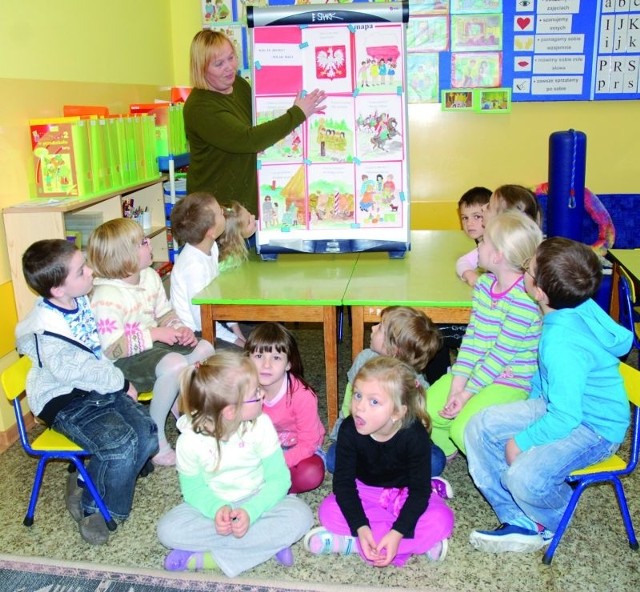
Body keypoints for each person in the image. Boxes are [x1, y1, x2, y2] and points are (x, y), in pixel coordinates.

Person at [465, 237, 633, 552]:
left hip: (594, 427)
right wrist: (525, 413)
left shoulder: (561, 343)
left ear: (539, 292)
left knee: (524, 478)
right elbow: (549, 383)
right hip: (562, 406)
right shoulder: (577, 303)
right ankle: (521, 519)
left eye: (528, 267)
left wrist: (522, 441)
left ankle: (555, 517)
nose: (524, 267)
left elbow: (566, 416)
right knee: (480, 425)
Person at [15, 239, 158, 545]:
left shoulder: (78, 300)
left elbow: (97, 355)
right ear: (57, 290)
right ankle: (96, 507)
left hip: (97, 384)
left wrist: (114, 380)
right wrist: (121, 384)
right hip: (63, 397)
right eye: (82, 271)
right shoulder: (48, 330)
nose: (91, 271)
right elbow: (78, 371)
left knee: (146, 433)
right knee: (121, 445)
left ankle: (84, 478)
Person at [157, 351, 314, 575]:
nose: (262, 395)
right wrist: (216, 510)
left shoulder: (261, 425)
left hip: (258, 499)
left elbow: (279, 479)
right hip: (213, 506)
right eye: (255, 393)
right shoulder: (189, 441)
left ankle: (207, 558)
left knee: (301, 515)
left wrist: (251, 511)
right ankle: (267, 546)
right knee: (168, 530)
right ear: (231, 412)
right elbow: (193, 489)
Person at [87, 219, 215, 467]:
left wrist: (180, 329)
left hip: (153, 347)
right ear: (124, 256)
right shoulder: (106, 296)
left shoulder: (149, 276)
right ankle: (156, 437)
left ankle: (183, 408)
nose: (149, 245)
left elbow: (165, 313)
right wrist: (155, 334)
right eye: (142, 243)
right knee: (175, 364)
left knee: (205, 347)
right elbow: (111, 349)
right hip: (123, 362)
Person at [304, 357, 454, 566]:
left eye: (374, 401)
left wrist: (397, 532)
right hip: (365, 490)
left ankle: (353, 544)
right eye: (357, 395)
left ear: (397, 412)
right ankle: (414, 545)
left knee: (442, 519)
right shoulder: (349, 428)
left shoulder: (415, 435)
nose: (359, 408)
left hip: (404, 492)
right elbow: (344, 485)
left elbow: (419, 493)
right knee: (328, 511)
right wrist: (361, 526)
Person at [426, 210, 543, 459]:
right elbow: (472, 342)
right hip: (479, 372)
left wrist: (466, 394)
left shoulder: (523, 299)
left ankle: (502, 458)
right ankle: (445, 453)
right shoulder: (483, 286)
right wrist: (457, 385)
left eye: (485, 240)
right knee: (427, 410)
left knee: (464, 429)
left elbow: (500, 355)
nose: (479, 243)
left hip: (509, 381)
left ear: (498, 255)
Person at [184, 30, 326, 215]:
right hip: (215, 210)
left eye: (231, 57)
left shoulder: (240, 85)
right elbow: (248, 139)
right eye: (219, 64)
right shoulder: (200, 107)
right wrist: (297, 114)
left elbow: (259, 125)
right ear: (201, 69)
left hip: (243, 202)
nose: (229, 67)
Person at [327, 306, 451, 495]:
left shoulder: (413, 379)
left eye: (380, 327)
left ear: (394, 349)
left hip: (397, 445)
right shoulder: (365, 359)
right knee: (333, 459)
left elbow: (418, 420)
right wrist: (344, 428)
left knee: (436, 460)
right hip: (364, 438)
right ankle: (396, 481)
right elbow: (350, 399)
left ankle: (380, 481)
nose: (373, 328)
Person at [245, 322, 326, 494]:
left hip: (299, 448)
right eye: (259, 356)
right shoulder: (244, 389)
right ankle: (268, 483)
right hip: (263, 447)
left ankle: (275, 488)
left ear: (288, 363)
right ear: (248, 359)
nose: (266, 365)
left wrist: (272, 463)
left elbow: (308, 443)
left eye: (276, 358)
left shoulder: (302, 396)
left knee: (311, 474)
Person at [170, 192, 245, 348]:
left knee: (261, 338)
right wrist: (236, 341)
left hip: (210, 321)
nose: (224, 212)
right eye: (219, 212)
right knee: (247, 357)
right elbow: (204, 320)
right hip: (193, 335)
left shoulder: (211, 248)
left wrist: (236, 330)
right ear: (211, 232)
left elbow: (216, 298)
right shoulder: (194, 267)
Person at [456, 184, 540, 287]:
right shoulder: (492, 245)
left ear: (503, 219)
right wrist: (470, 276)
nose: (483, 207)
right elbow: (463, 261)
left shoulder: (510, 249)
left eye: (489, 206)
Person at [455, 186, 492, 286]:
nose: (469, 223)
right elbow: (463, 262)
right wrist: (470, 275)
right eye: (465, 218)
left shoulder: (496, 243)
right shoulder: (483, 244)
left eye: (477, 216)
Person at [218, 200, 257, 273]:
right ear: (235, 237)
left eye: (249, 213)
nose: (253, 216)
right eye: (249, 222)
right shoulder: (228, 262)